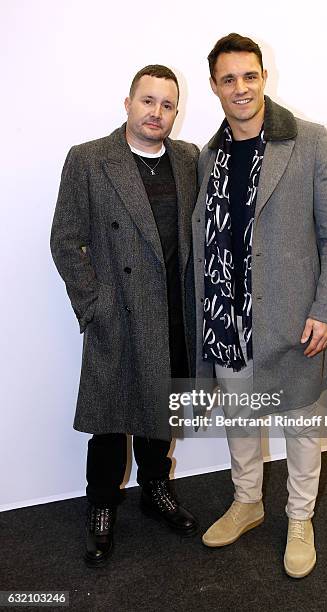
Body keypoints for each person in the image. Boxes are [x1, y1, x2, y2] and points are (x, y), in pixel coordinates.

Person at [192, 34, 327, 578]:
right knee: (241, 417)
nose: (241, 88)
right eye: (229, 79)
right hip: (227, 316)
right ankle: (247, 501)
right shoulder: (208, 155)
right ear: (215, 87)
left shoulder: (309, 141)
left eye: (250, 76)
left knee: (301, 424)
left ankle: (300, 518)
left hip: (295, 318)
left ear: (265, 77)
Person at [51, 65, 199, 567]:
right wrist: (96, 304)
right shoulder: (90, 159)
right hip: (119, 310)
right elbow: (66, 240)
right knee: (110, 419)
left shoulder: (187, 158)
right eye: (148, 101)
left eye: (167, 105)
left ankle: (156, 488)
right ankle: (101, 506)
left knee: (163, 410)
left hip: (173, 310)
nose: (157, 113)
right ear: (128, 103)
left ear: (176, 112)